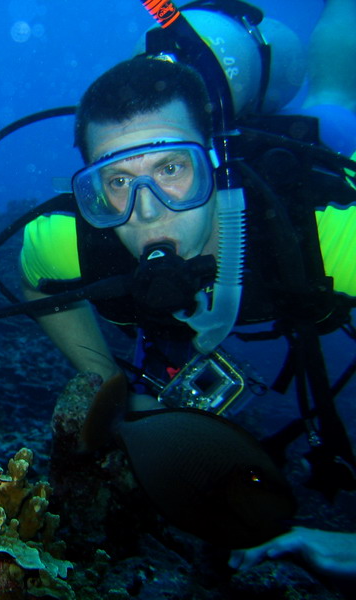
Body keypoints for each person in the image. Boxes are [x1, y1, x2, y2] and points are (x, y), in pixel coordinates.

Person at [19, 0, 356, 583]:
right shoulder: (71, 240)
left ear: (219, 165)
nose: (147, 212)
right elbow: (35, 280)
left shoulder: (330, 236)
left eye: (173, 169)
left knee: (336, 105)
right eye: (119, 180)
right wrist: (110, 383)